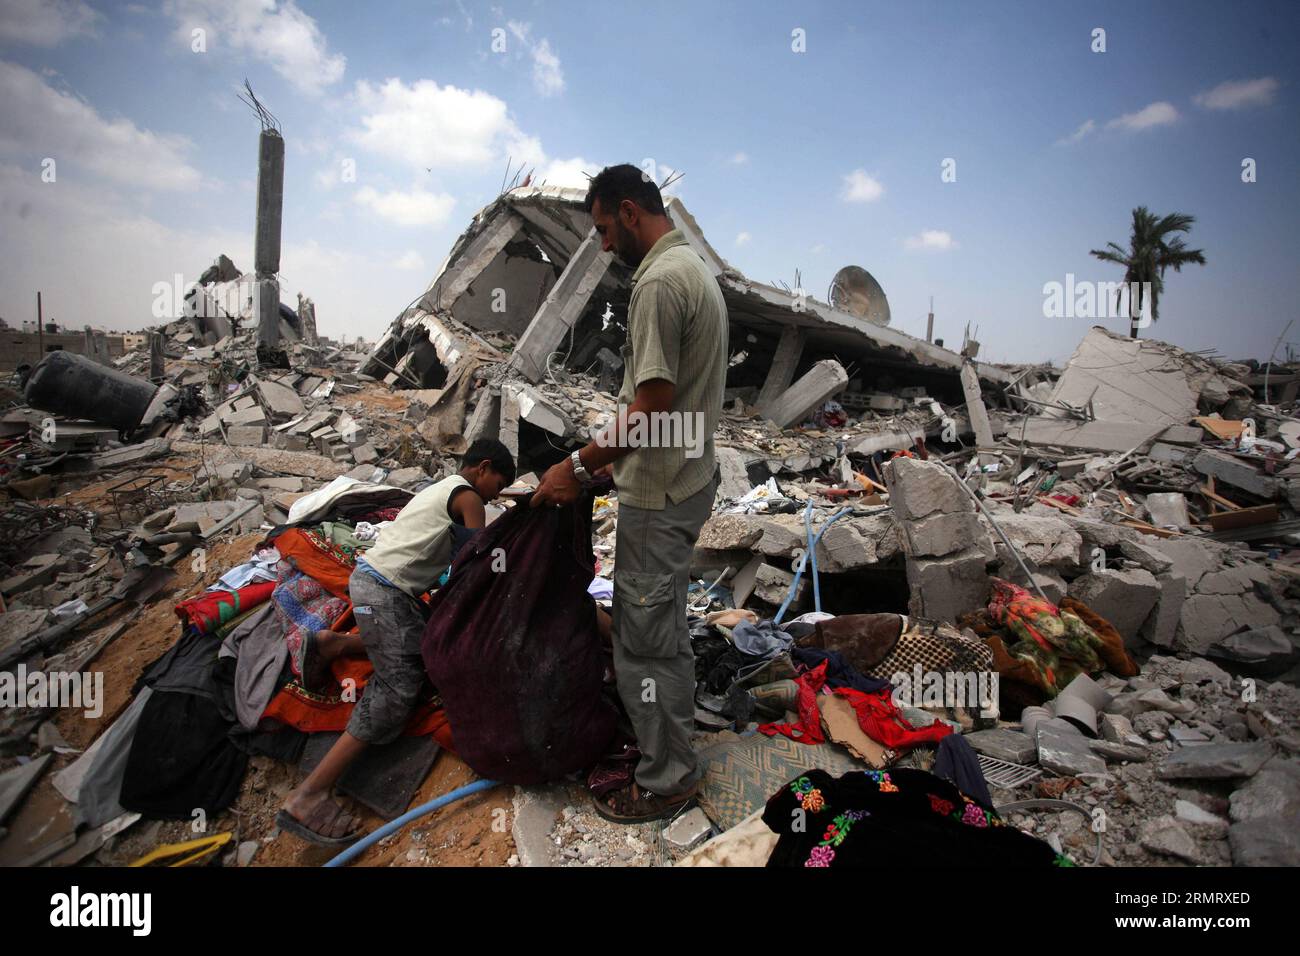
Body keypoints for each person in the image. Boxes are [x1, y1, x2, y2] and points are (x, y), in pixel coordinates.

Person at [533, 164, 728, 824]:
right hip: (684, 476)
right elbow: (676, 409)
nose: (604, 245)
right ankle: (669, 744)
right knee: (660, 629)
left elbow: (650, 404)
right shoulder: (694, 272)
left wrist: (580, 466)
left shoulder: (659, 284)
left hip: (663, 492)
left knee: (644, 641)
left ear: (628, 210)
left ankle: (668, 779)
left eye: (603, 230)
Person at [277, 438, 515, 844]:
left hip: (374, 583)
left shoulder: (442, 488)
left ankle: (333, 645)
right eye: (499, 483)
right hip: (384, 593)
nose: (497, 494)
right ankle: (309, 795)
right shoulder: (470, 496)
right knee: (398, 688)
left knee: (429, 639)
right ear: (483, 468)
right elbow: (480, 557)